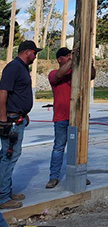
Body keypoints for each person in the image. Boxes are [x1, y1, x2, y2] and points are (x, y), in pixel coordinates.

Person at [46, 47, 95, 189]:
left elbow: (91, 76)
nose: (69, 58)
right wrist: (72, 60)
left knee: (78, 148)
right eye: (66, 56)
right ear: (59, 59)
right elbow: (59, 76)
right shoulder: (53, 74)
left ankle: (79, 174)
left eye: (70, 55)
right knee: (59, 147)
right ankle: (53, 177)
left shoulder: (76, 73)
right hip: (61, 117)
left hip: (77, 117)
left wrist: (90, 65)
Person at [0, 40, 41, 209]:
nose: (36, 56)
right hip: (11, 120)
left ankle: (6, 191)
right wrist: (3, 118)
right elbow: (3, 92)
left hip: (18, 117)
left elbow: (18, 94)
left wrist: (24, 114)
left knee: (9, 156)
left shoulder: (22, 68)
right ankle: (3, 198)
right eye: (34, 53)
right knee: (9, 157)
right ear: (26, 52)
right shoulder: (13, 67)